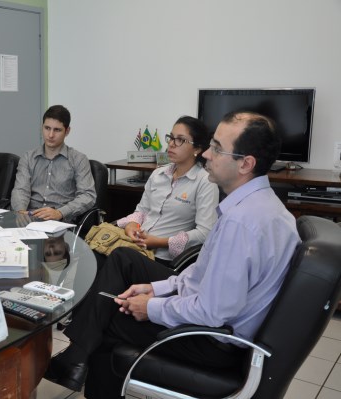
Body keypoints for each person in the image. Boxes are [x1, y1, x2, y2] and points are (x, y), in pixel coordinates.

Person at [43, 111, 301, 398]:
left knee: (110, 316)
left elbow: (211, 313)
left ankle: (75, 360)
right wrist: (157, 288)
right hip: (215, 319)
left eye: (217, 148)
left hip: (214, 341)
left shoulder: (241, 223)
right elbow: (200, 275)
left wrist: (150, 307)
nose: (207, 156)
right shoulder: (263, 207)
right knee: (121, 262)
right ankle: (75, 360)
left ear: (246, 164)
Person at [112, 116, 219, 265]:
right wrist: (131, 226)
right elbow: (142, 211)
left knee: (118, 259)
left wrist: (161, 242)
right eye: (171, 137)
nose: (171, 144)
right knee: (101, 252)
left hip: (164, 259)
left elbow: (205, 233)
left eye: (180, 140)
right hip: (135, 247)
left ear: (198, 148)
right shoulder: (158, 174)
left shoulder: (205, 181)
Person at [10, 105, 96, 222]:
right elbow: (20, 190)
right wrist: (20, 212)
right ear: (42, 127)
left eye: (57, 130)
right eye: (47, 128)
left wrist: (60, 212)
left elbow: (88, 196)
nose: (50, 135)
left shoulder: (79, 159)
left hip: (60, 221)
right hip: (30, 218)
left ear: (67, 131)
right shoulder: (28, 157)